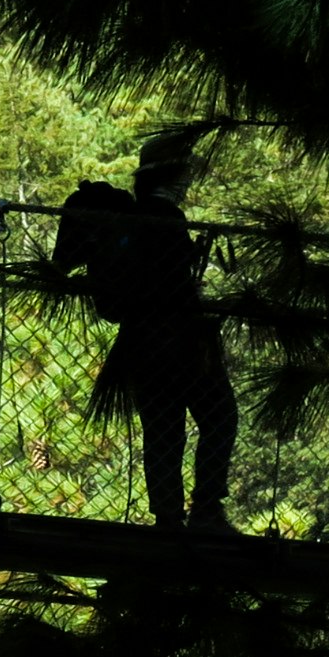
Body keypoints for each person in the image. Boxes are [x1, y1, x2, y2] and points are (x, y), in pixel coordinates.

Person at [92, 124, 235, 534]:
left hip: (139, 345)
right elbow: (173, 285)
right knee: (219, 417)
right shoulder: (167, 219)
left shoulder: (127, 223)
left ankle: (168, 519)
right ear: (174, 178)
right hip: (182, 342)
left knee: (162, 430)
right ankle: (207, 509)